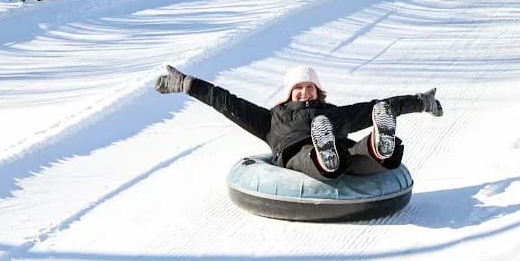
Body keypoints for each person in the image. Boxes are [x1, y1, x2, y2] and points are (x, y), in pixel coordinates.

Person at [154, 64, 443, 181]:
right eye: (299, 88)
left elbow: (379, 106)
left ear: (319, 92)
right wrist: (187, 84)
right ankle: (322, 154)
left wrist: (420, 101)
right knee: (306, 156)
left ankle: (380, 145)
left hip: (340, 148)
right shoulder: (270, 120)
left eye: (310, 88)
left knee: (358, 154)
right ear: (289, 93)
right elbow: (226, 102)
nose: (305, 92)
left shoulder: (333, 113)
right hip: (297, 154)